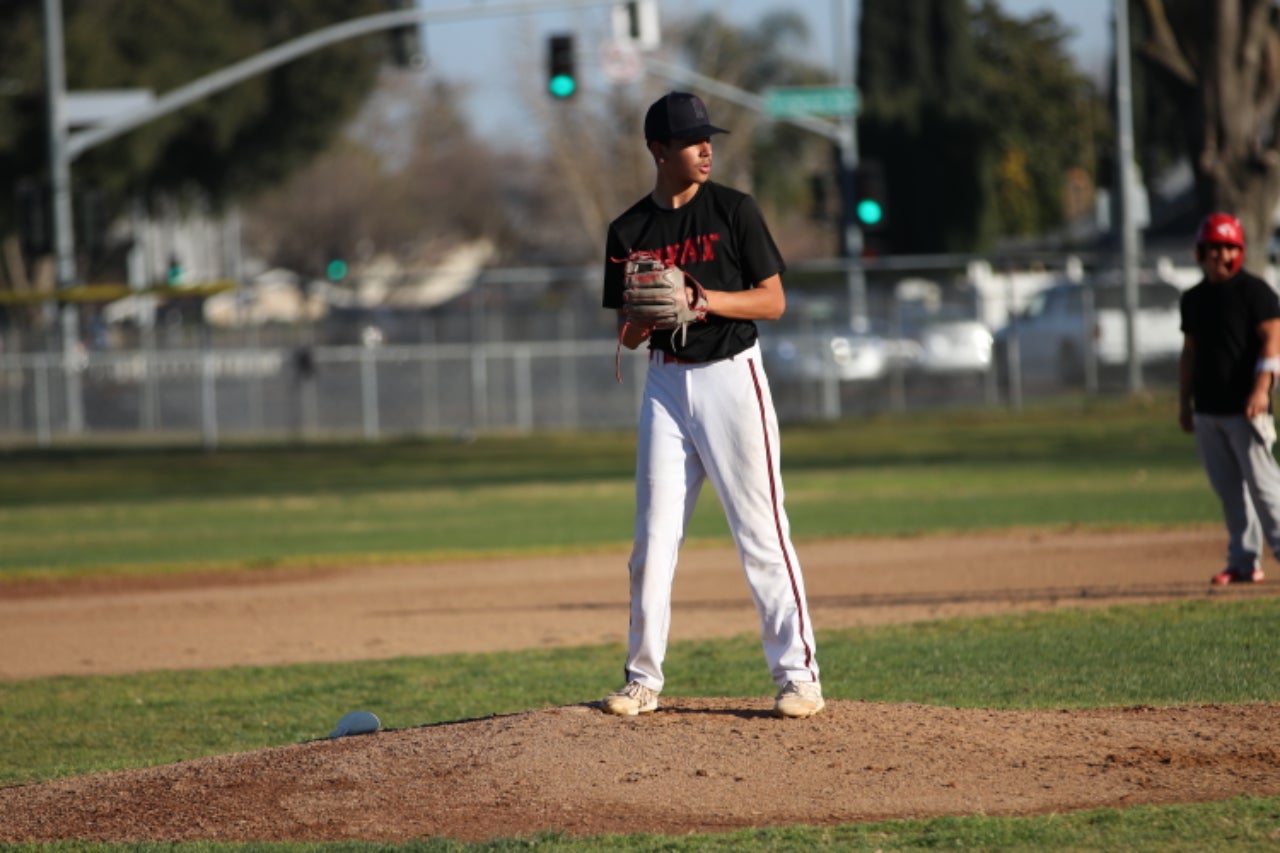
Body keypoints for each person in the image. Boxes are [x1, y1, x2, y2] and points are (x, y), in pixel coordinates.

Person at [598, 91, 822, 718]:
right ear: (658, 150)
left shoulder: (733, 211)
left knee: (760, 532)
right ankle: (642, 679)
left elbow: (772, 301)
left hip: (731, 376)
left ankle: (799, 676)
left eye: (709, 139)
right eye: (693, 140)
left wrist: (703, 300)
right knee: (651, 541)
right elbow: (627, 333)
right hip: (666, 384)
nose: (706, 148)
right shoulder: (629, 230)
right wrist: (645, 314)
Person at [1179, 211, 1280, 585]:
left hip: (1246, 409)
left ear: (1239, 251)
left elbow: (1274, 342)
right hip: (1208, 410)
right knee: (1230, 492)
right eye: (1213, 249)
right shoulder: (1193, 299)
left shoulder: (1256, 293)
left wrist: (1261, 389)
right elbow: (1189, 353)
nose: (1220, 256)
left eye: (1228, 248)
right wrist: (1184, 403)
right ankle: (1243, 560)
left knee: (1266, 488)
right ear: (1200, 253)